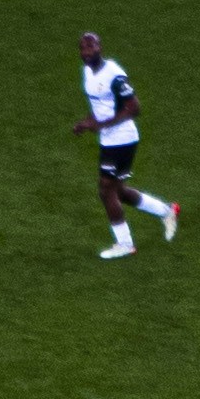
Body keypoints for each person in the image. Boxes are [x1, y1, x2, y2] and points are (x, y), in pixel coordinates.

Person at [72, 30, 181, 258]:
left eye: (91, 46)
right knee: (118, 191)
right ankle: (167, 211)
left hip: (122, 139)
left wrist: (103, 125)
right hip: (110, 139)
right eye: (83, 48)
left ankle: (125, 244)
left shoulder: (114, 75)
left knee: (105, 190)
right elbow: (100, 107)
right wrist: (87, 122)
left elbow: (134, 108)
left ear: (100, 48)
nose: (86, 52)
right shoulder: (87, 72)